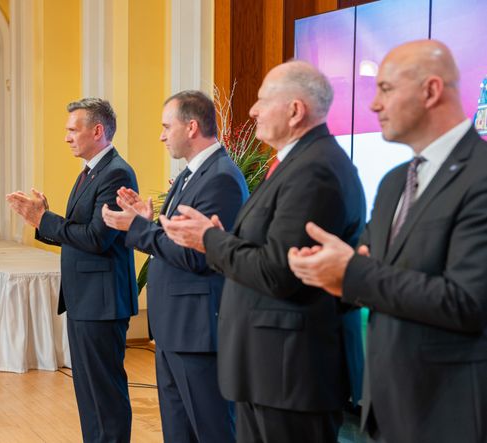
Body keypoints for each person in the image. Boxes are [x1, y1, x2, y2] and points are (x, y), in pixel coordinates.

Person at [288, 40, 487, 443]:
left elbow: (467, 302)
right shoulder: (395, 181)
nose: (374, 104)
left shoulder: (480, 175)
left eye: (386, 88)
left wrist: (352, 272)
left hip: (452, 413)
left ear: (431, 90)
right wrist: (327, 269)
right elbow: (369, 264)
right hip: (388, 408)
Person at [160, 61, 366, 442]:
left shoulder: (314, 171)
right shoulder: (297, 164)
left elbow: (278, 271)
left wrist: (210, 239)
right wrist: (220, 238)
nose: (253, 110)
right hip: (272, 369)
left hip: (291, 372)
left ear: (295, 110)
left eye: (262, 100)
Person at [102, 90, 248, 442]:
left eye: (167, 127)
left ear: (192, 127)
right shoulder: (191, 174)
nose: (162, 136)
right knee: (179, 431)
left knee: (210, 430)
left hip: (197, 330)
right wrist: (146, 221)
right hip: (176, 328)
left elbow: (197, 253)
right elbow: (175, 237)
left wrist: (137, 228)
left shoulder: (221, 178)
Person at [7, 98, 138, 443]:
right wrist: (44, 219)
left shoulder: (116, 172)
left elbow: (97, 238)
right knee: (88, 390)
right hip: (85, 299)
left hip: (102, 301)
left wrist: (44, 219)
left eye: (72, 130)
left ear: (97, 131)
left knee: (104, 392)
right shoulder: (90, 172)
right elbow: (77, 232)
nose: (66, 137)